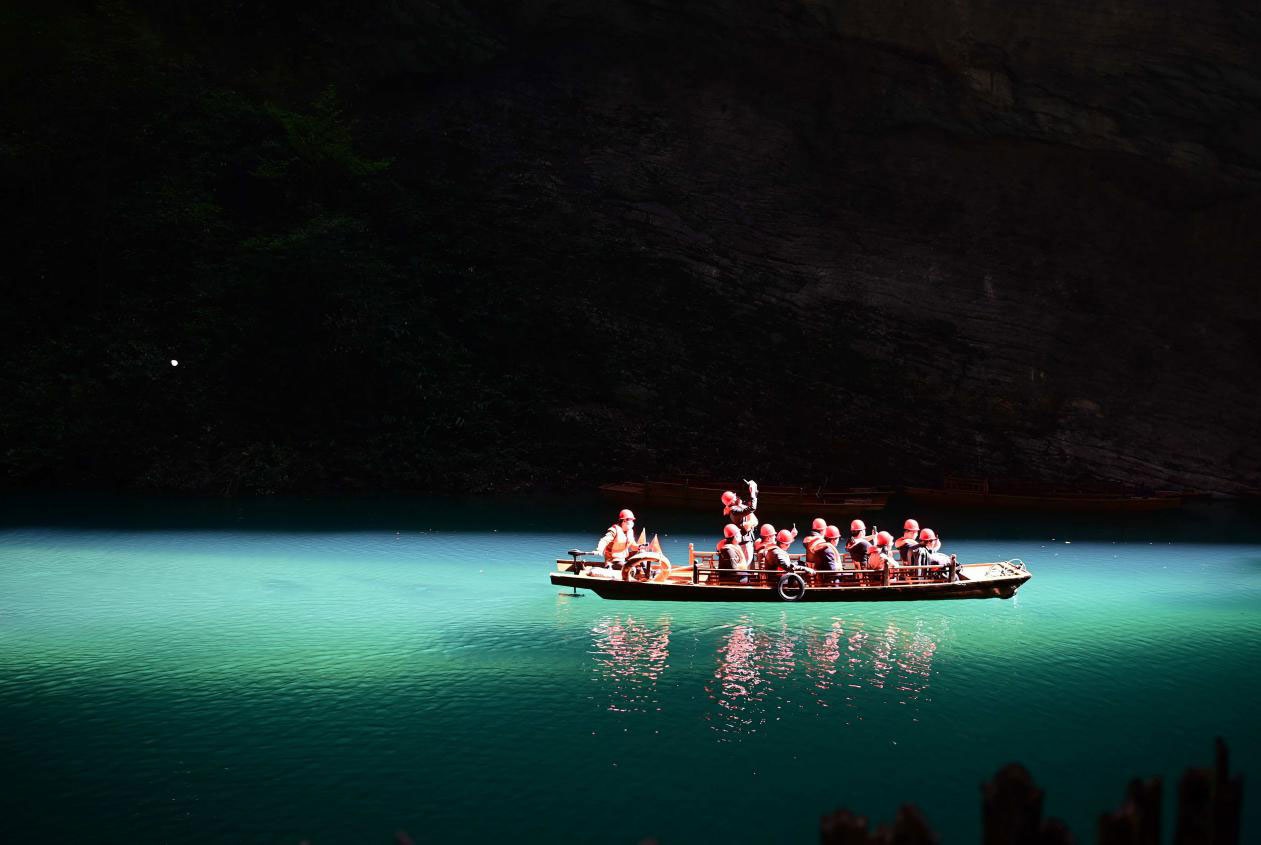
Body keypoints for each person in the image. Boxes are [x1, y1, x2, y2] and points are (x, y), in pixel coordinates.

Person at [721, 480, 759, 562]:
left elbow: (748, 505)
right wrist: (752, 494)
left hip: (746, 540)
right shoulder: (734, 511)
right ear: (732, 501)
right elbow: (752, 508)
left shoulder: (735, 509)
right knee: (746, 564)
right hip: (744, 542)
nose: (737, 497)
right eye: (735, 497)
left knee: (748, 564)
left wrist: (753, 491)